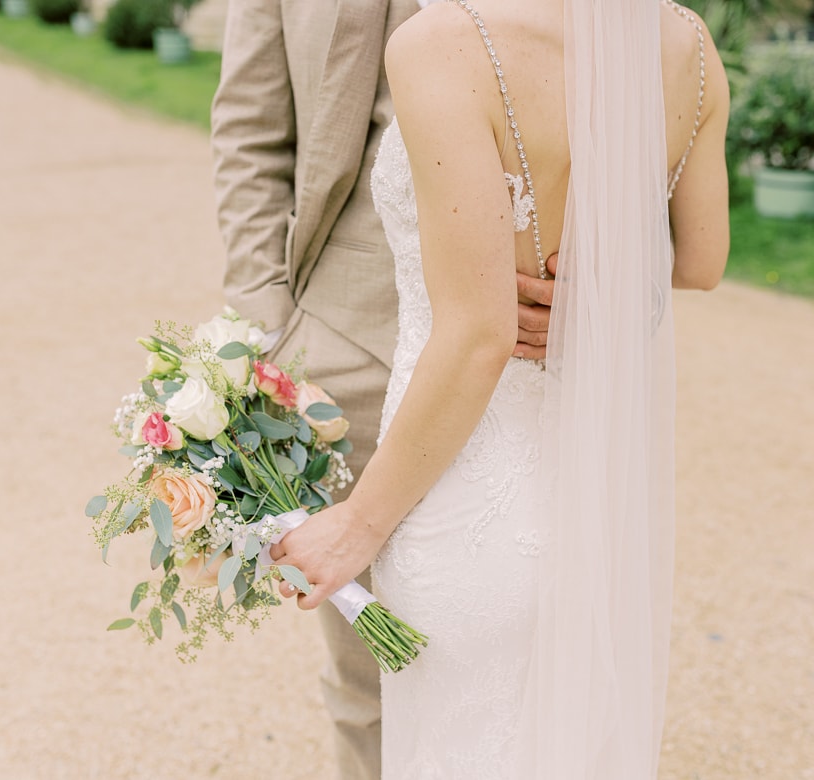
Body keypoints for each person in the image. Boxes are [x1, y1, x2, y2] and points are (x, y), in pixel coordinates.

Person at [268, 0, 730, 776]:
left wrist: (357, 525)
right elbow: (700, 261)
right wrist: (595, 302)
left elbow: (478, 336)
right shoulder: (683, 39)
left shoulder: (443, 44)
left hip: (467, 505)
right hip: (596, 500)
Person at [209, 2, 556, 778]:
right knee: (371, 671)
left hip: (533, 353)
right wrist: (269, 324)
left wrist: (594, 289)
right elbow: (249, 127)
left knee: (535, 655)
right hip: (346, 340)